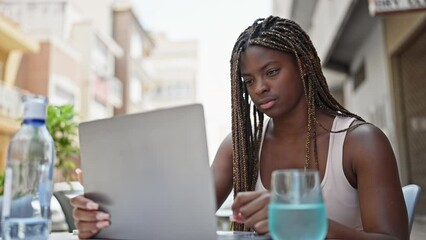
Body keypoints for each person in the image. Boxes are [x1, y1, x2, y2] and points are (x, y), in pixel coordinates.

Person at [71, 16, 409, 239]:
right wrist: (104, 221)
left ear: (304, 65)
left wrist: (305, 224)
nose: (259, 87)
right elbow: (181, 220)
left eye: (272, 72)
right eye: (248, 80)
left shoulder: (360, 142)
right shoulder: (240, 147)